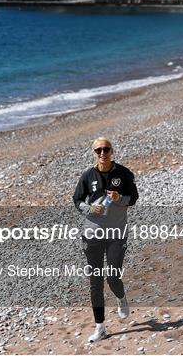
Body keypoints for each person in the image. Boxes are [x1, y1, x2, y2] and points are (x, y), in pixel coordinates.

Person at [73, 137, 139, 342]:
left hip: (116, 234)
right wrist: (89, 208)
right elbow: (77, 200)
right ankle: (100, 327)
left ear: (112, 151)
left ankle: (121, 298)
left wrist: (120, 199)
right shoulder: (88, 176)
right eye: (98, 150)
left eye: (106, 149)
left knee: (112, 276)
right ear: (94, 153)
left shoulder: (123, 173)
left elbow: (134, 198)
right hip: (92, 234)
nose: (103, 153)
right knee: (95, 282)